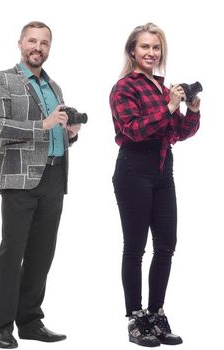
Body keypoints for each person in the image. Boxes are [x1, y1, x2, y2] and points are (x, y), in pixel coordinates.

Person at [0, 21, 79, 349]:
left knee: (42, 253)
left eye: (44, 43)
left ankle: (30, 321)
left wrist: (69, 134)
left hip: (54, 176)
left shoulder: (54, 86)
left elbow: (56, 131)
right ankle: (1, 326)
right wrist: (43, 124)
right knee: (13, 252)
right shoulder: (2, 79)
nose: (37, 47)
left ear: (49, 48)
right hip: (19, 180)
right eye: (32, 41)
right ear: (20, 43)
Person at [109, 22, 199, 348]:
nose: (151, 53)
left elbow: (176, 133)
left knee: (166, 246)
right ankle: (136, 318)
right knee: (135, 248)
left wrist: (191, 110)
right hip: (133, 170)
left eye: (156, 48)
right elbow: (134, 129)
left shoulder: (163, 88)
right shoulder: (124, 88)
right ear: (132, 50)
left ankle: (156, 315)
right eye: (145, 47)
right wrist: (170, 107)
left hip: (163, 171)